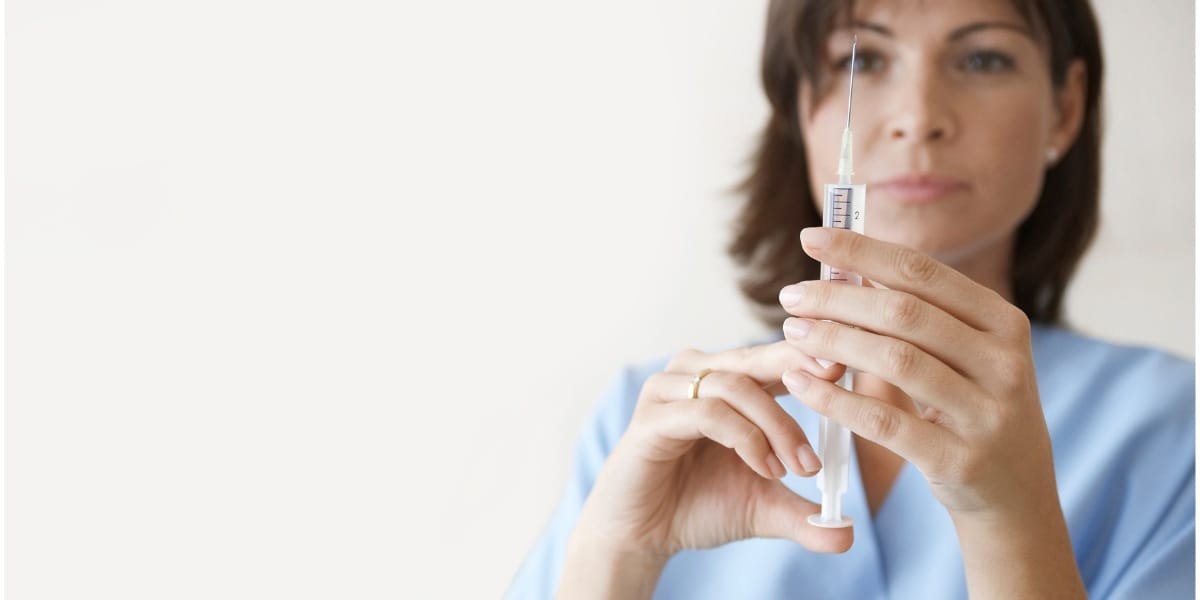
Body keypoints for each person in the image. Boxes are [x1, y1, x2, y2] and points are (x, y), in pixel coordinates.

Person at [507, 0, 1194, 598]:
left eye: (982, 59)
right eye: (861, 62)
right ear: (801, 105)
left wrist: (1011, 526)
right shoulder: (653, 423)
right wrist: (617, 558)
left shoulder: (1172, 431)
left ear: (1065, 109)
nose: (918, 117)